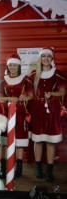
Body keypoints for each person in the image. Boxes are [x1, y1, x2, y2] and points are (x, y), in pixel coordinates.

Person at [29, 47, 66, 182]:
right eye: (43, 56)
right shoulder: (34, 74)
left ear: (52, 58)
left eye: (48, 56)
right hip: (38, 109)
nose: (46, 59)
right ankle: (38, 167)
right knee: (38, 140)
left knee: (51, 141)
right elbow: (30, 93)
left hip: (52, 110)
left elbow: (62, 92)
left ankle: (49, 170)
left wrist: (52, 94)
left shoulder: (58, 74)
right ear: (40, 58)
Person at [0, 53, 34, 178]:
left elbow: (31, 95)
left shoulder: (26, 80)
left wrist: (25, 97)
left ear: (19, 66)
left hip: (20, 113)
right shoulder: (3, 81)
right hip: (5, 113)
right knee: (4, 141)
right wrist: (10, 98)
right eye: (10, 65)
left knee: (19, 140)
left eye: (15, 65)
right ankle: (3, 167)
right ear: (8, 66)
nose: (13, 67)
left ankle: (19, 168)